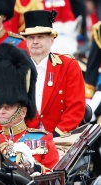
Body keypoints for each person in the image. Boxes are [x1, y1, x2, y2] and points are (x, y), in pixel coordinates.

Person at [0, 43, 59, 173]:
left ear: (23, 112)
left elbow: (55, 177)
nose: (1, 111)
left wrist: (33, 167)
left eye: (7, 107)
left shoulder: (43, 139)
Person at [21, 9, 85, 137]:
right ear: (26, 41)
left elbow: (76, 107)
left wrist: (55, 136)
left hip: (60, 139)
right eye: (31, 37)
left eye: (41, 37)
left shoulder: (68, 66)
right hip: (25, 140)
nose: (35, 41)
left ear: (51, 40)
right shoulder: (17, 68)